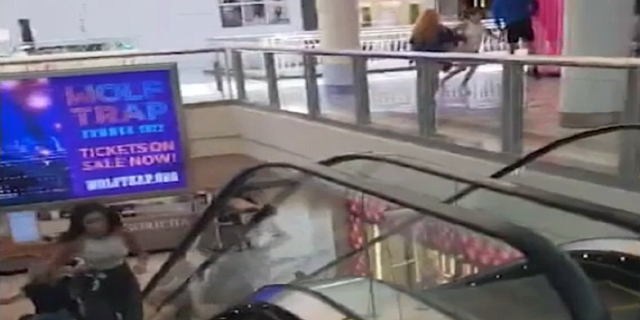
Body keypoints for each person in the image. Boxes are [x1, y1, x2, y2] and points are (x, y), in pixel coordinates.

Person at [48, 202, 148, 320]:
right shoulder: (77, 242)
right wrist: (74, 271)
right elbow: (53, 266)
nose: (96, 225)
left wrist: (141, 264)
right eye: (90, 222)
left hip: (124, 277)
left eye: (99, 220)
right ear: (82, 224)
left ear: (107, 219)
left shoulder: (121, 233)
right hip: (94, 282)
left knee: (133, 315)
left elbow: (141, 253)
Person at [441, 7, 499, 88]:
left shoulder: (481, 25)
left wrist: (497, 37)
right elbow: (452, 32)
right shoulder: (465, 24)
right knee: (462, 68)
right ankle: (445, 79)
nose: (479, 17)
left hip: (475, 50)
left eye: (480, 15)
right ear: (471, 16)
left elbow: (489, 34)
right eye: (477, 15)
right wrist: (459, 37)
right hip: (465, 50)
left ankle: (464, 83)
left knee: (473, 67)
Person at [0, 262, 79, 320]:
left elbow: (8, 301)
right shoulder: (65, 281)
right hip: (71, 314)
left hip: (47, 316)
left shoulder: (31, 288)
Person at [491, 0, 540, 75]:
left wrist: (499, 25)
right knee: (529, 45)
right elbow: (534, 3)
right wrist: (531, 13)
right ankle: (533, 66)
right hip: (524, 20)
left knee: (512, 47)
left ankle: (513, 67)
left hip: (511, 23)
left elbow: (496, 11)